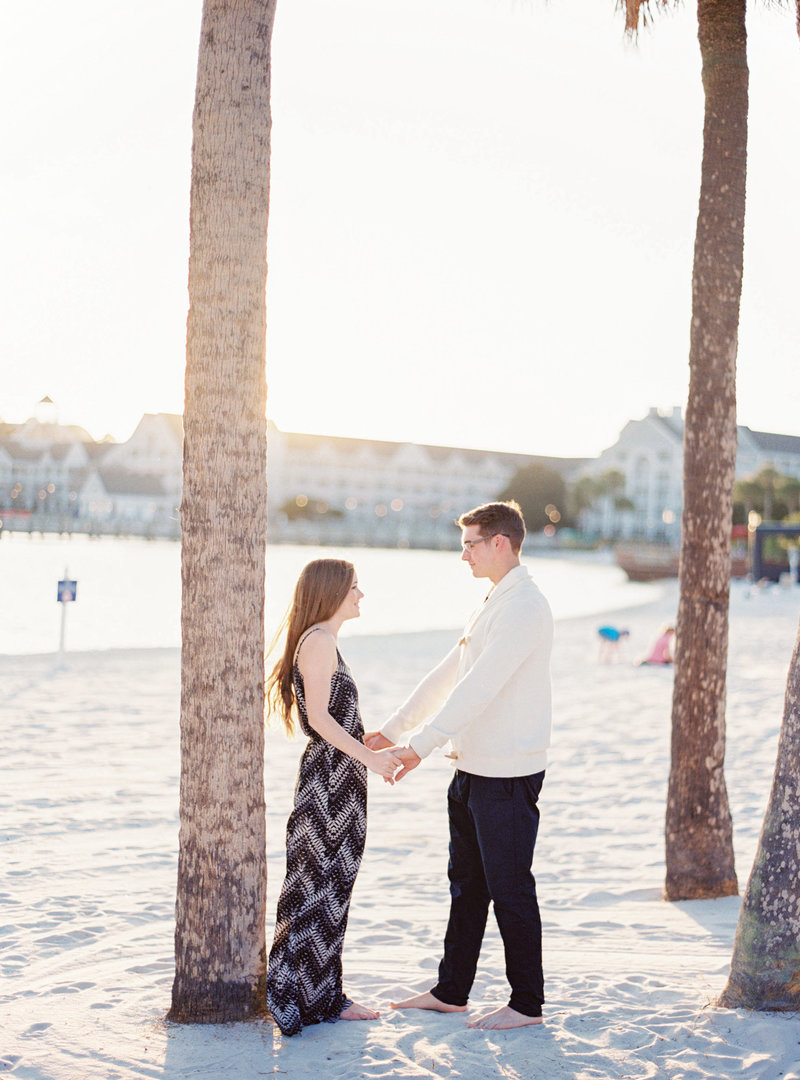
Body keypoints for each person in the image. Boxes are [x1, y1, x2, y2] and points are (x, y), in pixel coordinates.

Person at [366, 501, 553, 1030]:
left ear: (501, 543)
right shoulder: (494, 601)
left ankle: (527, 1004)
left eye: (471, 543)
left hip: (509, 772)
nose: (463, 554)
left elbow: (480, 686)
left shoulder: (524, 607)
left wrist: (419, 746)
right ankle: (452, 990)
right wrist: (395, 728)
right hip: (472, 766)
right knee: (466, 885)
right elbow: (451, 671)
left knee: (510, 887)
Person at [265, 558, 402, 1037]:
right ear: (333, 592)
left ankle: (321, 995)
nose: (361, 595)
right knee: (319, 887)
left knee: (328, 888)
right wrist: (369, 757)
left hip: (337, 777)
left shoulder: (322, 641)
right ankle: (312, 998)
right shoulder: (319, 641)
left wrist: (376, 746)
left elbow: (335, 722)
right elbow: (321, 721)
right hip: (330, 782)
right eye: (355, 588)